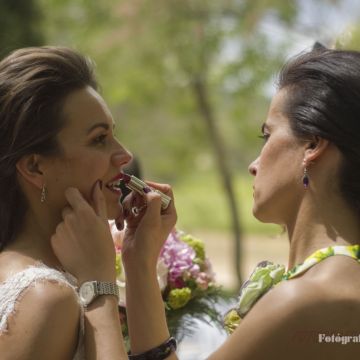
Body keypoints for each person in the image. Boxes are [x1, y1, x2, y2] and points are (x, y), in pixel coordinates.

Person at [120, 48, 360, 359]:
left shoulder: (306, 298)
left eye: (267, 135)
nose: (253, 164)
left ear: (312, 145)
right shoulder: (339, 281)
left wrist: (113, 278)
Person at [0, 46, 177, 359]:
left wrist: (139, 264)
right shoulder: (45, 299)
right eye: (99, 139)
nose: (125, 155)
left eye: (113, 135)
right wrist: (99, 285)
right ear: (35, 167)